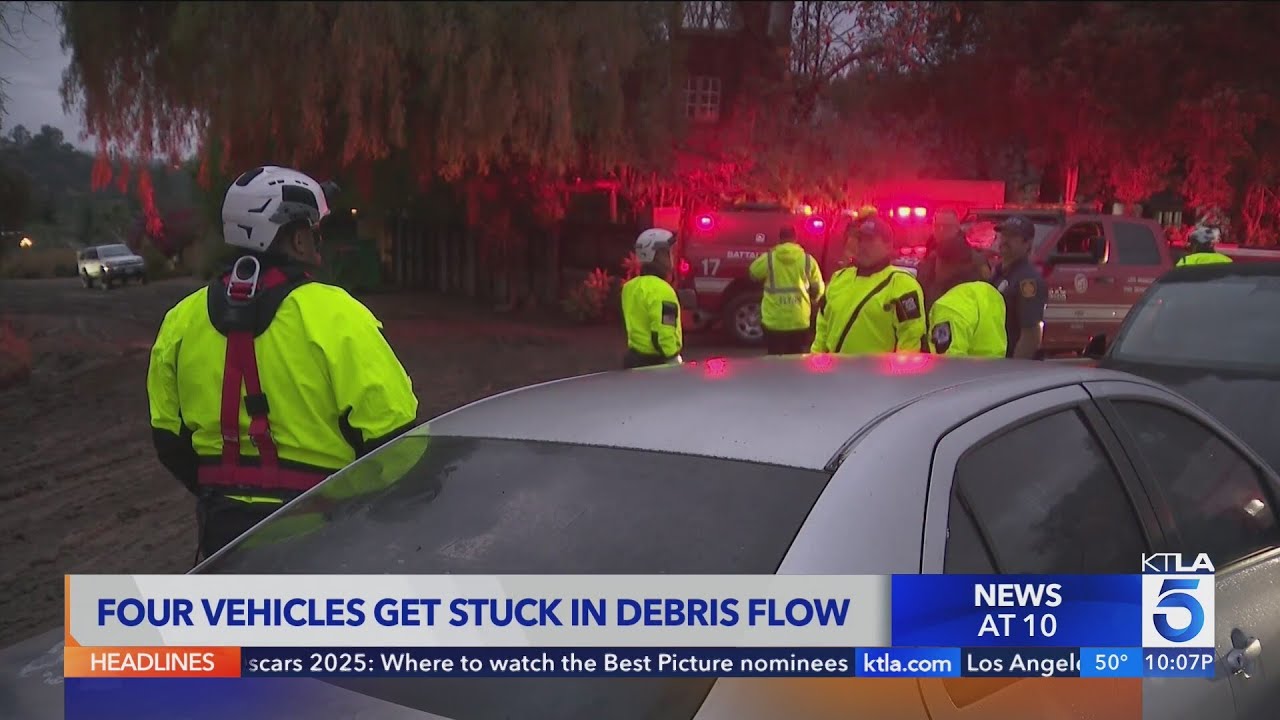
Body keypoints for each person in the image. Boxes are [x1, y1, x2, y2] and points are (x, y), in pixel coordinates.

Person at [147, 165, 419, 562]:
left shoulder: (180, 320)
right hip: (327, 535)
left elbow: (169, 440)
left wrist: (231, 493)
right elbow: (396, 440)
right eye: (312, 230)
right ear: (295, 238)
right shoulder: (337, 313)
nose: (317, 241)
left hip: (225, 538)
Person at [811, 216, 926, 355]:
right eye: (860, 240)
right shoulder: (839, 278)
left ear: (888, 246)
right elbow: (822, 328)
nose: (863, 245)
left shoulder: (901, 284)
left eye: (870, 240)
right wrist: (817, 361)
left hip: (878, 375)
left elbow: (910, 341)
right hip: (834, 372)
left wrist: (899, 375)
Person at [749, 225, 826, 355]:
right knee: (796, 359)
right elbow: (818, 289)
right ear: (795, 239)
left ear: (779, 239)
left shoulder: (769, 258)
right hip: (799, 320)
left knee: (774, 359)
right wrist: (814, 300)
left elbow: (753, 273)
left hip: (774, 321)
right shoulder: (807, 260)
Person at [928, 234, 1008, 358]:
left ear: (945, 264)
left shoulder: (948, 306)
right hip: (997, 373)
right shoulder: (990, 292)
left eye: (936, 262)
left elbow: (949, 363)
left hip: (967, 376)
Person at [621, 228, 683, 368]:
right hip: (657, 363)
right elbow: (664, 331)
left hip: (634, 359)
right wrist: (673, 358)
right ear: (656, 256)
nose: (671, 257)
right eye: (667, 253)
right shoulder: (663, 290)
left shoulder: (629, 287)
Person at [989, 215, 1047, 359]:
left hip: (1009, 365)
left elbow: (1031, 334)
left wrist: (1014, 369)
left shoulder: (1028, 281)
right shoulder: (998, 273)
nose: (1005, 240)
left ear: (1027, 243)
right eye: (1004, 235)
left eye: (1013, 236)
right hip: (992, 361)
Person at [917, 209, 992, 309]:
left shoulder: (973, 259)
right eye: (937, 226)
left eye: (946, 226)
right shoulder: (930, 257)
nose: (941, 230)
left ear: (957, 228)